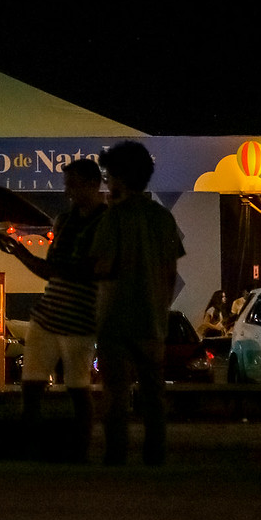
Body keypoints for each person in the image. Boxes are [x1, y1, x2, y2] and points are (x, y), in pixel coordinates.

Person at [0, 157, 105, 455]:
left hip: (79, 316)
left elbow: (80, 269)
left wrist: (37, 261)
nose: (68, 192)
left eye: (73, 185)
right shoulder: (67, 220)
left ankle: (77, 448)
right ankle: (35, 444)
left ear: (94, 184)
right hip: (52, 313)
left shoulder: (105, 222)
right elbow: (53, 269)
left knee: (76, 386)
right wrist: (20, 253)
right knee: (32, 384)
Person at [92, 140, 185, 466]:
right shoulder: (162, 218)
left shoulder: (113, 218)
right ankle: (154, 454)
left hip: (115, 319)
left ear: (119, 177)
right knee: (153, 394)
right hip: (153, 320)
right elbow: (171, 272)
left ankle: (116, 454)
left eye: (108, 176)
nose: (106, 182)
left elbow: (101, 266)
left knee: (115, 394)